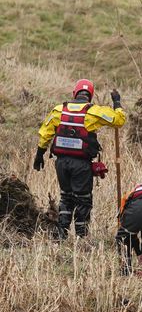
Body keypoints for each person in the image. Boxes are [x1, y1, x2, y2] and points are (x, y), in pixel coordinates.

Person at [34, 79, 126, 239]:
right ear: (90, 96)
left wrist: (39, 154)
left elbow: (45, 133)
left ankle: (61, 234)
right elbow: (119, 121)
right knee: (83, 199)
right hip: (81, 165)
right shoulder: (93, 111)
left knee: (66, 196)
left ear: (74, 93)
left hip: (61, 163)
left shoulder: (58, 110)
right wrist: (117, 103)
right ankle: (81, 237)